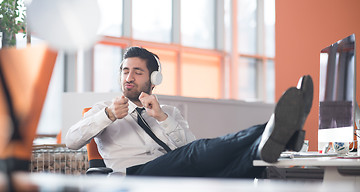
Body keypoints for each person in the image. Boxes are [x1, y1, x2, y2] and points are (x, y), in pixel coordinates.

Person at [66, 46, 313, 178]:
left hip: (173, 173)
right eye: (125, 71)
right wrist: (108, 115)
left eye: (137, 72)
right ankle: (276, 128)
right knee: (195, 153)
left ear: (154, 79)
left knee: (240, 169)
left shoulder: (168, 112)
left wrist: (161, 118)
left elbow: (188, 147)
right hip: (133, 176)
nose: (128, 78)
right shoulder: (103, 110)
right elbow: (71, 141)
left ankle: (275, 139)